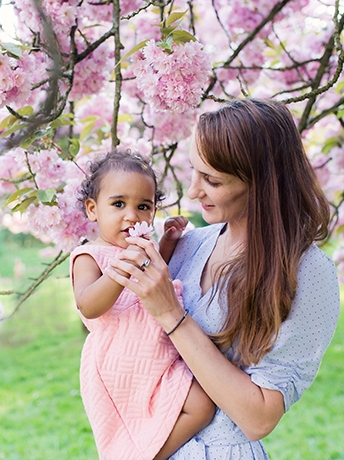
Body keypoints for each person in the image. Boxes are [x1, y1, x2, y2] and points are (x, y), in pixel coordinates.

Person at [105, 98, 341, 459]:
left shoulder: (307, 273)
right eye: (195, 172)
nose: (193, 191)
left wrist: (171, 314)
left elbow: (258, 418)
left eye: (212, 180)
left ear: (262, 184)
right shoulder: (186, 246)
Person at [70, 151, 216, 460]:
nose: (132, 216)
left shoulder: (141, 250)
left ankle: (146, 452)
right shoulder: (90, 256)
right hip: (119, 359)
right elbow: (88, 305)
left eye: (144, 206)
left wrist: (166, 243)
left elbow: (154, 272)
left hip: (156, 349)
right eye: (119, 204)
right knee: (197, 405)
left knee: (202, 404)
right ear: (93, 209)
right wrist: (120, 269)